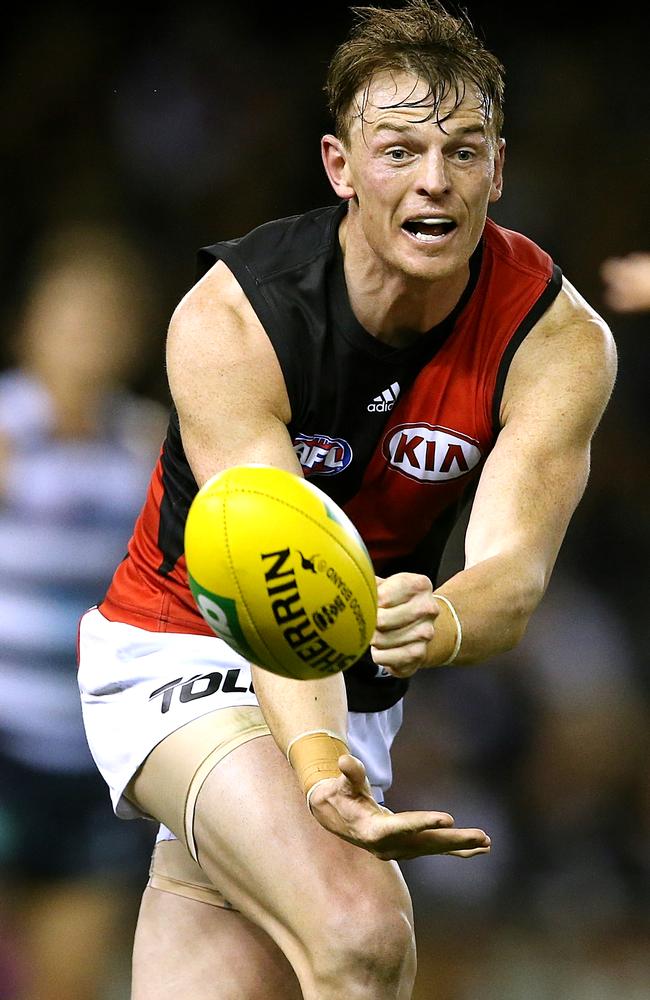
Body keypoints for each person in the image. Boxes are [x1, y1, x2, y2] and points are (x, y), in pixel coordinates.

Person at [77, 2, 617, 997]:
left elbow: (512, 572)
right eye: (398, 149)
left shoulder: (553, 339)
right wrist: (322, 775)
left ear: (497, 170)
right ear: (339, 166)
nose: (432, 180)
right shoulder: (236, 317)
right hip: (190, 641)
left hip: (355, 688)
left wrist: (446, 618)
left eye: (462, 152)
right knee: (360, 931)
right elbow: (272, 587)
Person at [0, 222, 166, 999]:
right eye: (70, 315)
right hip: (3, 738)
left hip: (92, 751)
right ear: (31, 324)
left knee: (63, 984)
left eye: (104, 320)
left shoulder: (147, 448)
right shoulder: (2, 434)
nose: (85, 337)